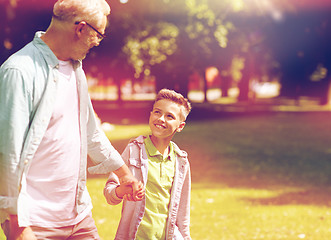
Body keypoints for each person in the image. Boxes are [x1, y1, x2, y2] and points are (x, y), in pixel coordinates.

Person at [0, 0, 144, 239]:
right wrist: (18, 225)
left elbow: (91, 131)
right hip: (35, 224)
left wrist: (125, 175)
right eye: (98, 34)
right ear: (80, 28)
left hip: (79, 219)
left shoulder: (76, 69)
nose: (98, 41)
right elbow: (8, 154)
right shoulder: (19, 71)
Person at [104, 89, 192, 240]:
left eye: (169, 116)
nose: (161, 119)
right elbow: (109, 192)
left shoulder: (181, 161)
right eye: (157, 112)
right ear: (151, 115)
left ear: (180, 126)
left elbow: (183, 213)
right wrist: (120, 191)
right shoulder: (133, 150)